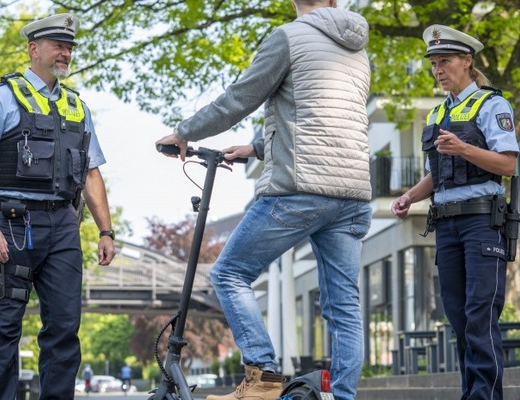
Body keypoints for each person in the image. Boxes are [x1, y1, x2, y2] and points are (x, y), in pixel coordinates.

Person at [155, 1, 372, 399]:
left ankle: (263, 378)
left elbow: (240, 98)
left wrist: (185, 132)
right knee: (344, 307)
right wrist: (256, 148)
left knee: (229, 273)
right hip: (352, 194)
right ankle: (343, 397)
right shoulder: (358, 50)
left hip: (300, 190)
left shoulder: (288, 37)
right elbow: (324, 117)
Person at [0, 13, 116, 399]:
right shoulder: (4, 98)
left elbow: (91, 173)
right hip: (13, 224)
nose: (66, 53)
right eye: (58, 46)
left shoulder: (78, 107)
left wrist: (106, 230)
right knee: (6, 323)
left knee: (64, 326)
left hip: (64, 226)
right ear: (34, 49)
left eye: (69, 47)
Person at [390, 24, 519, 400]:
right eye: (433, 63)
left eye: (444, 61)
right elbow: (439, 173)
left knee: (480, 316)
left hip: (481, 222)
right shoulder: (436, 114)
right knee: (459, 319)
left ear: (467, 61)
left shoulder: (491, 105)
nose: (438, 70)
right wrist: (409, 197)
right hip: (445, 224)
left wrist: (464, 148)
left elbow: (508, 164)